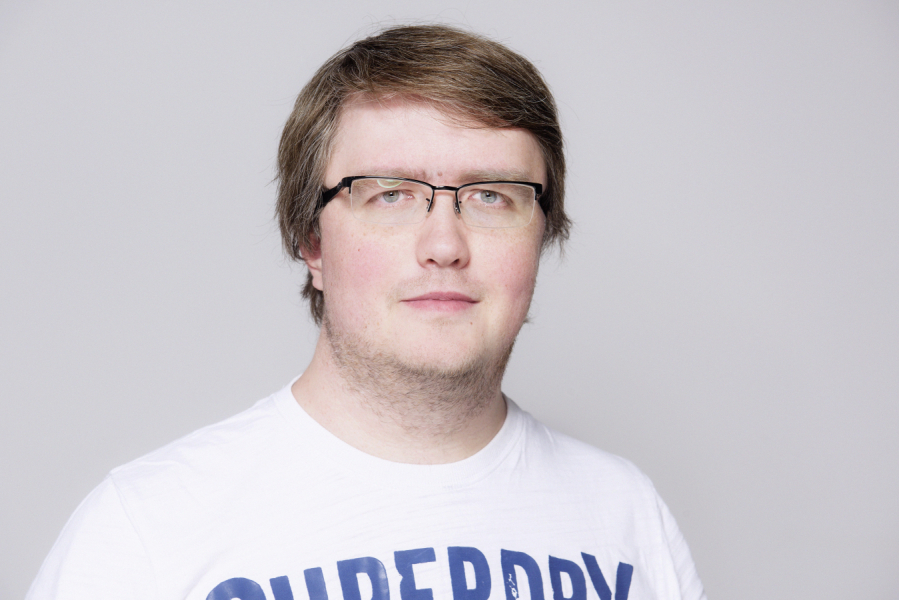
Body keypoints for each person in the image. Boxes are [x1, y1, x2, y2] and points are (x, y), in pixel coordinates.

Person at [27, 24, 706, 600]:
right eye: (390, 194)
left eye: (492, 195)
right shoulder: (146, 535)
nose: (444, 245)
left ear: (541, 233)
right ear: (312, 241)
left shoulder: (626, 518)